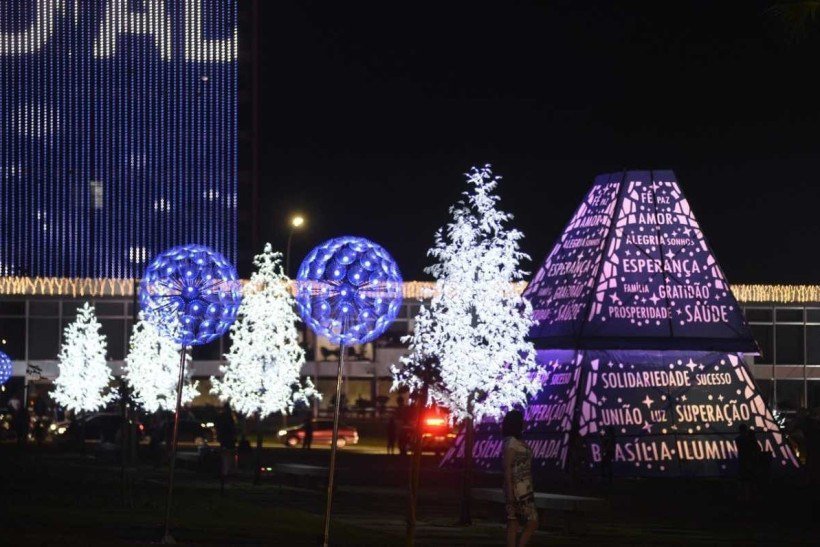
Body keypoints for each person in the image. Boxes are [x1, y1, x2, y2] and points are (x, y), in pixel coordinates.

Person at [502, 409, 538, 547]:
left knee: (514, 521)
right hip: (518, 488)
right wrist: (510, 491)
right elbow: (507, 468)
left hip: (523, 485)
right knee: (532, 520)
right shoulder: (511, 442)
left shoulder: (513, 441)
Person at [216, 403, 236, 486]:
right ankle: (226, 471)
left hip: (225, 439)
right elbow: (231, 428)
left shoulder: (222, 416)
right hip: (228, 439)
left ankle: (224, 471)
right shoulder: (228, 417)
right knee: (227, 455)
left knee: (225, 455)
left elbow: (219, 427)